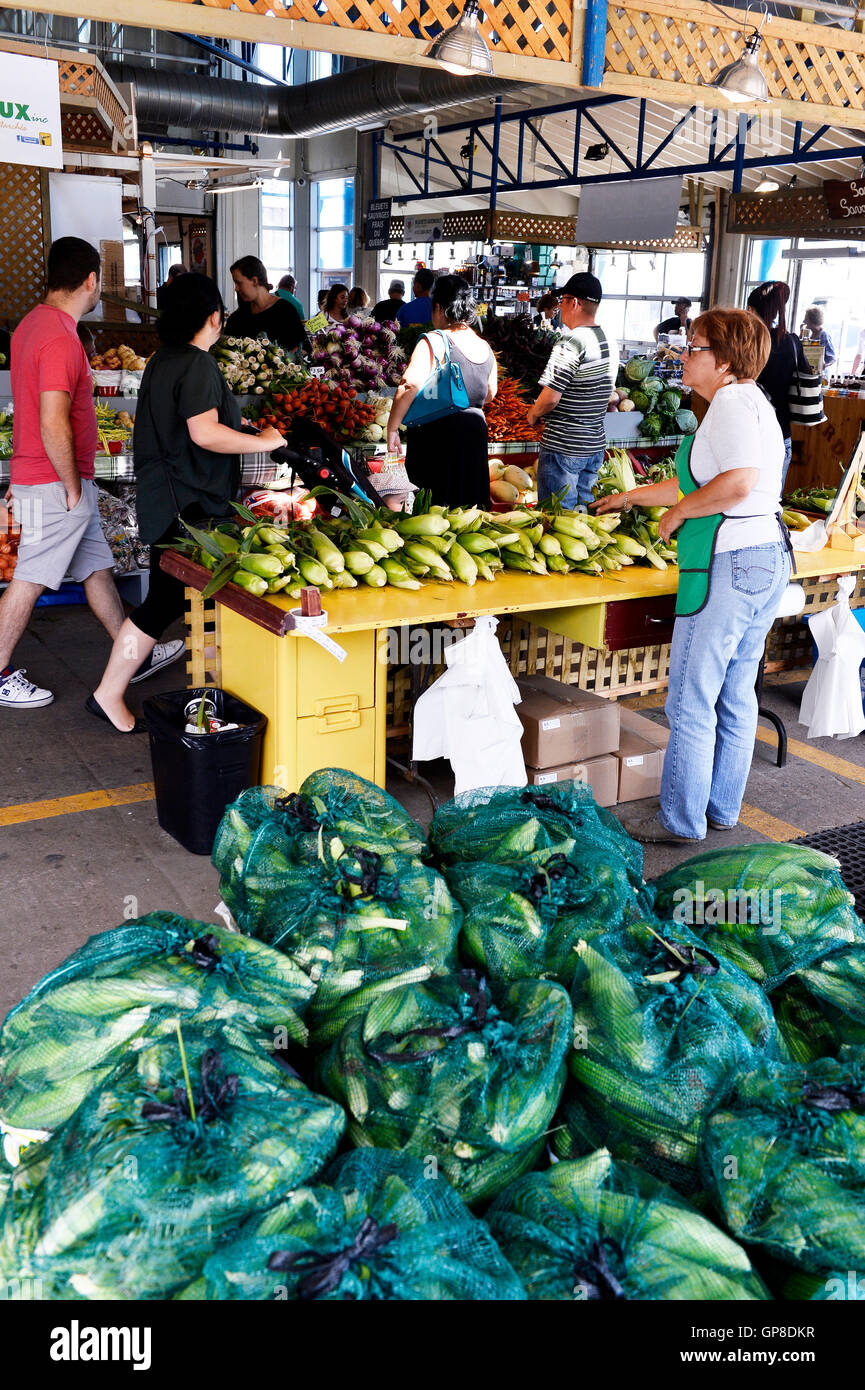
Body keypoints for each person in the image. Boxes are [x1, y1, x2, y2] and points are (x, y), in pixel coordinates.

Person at [593, 308, 791, 844]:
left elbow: (738, 483)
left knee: (691, 698)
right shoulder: (750, 402)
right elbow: (697, 483)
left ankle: (681, 822)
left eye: (694, 347)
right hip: (766, 555)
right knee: (734, 692)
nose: (684, 355)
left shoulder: (729, 404)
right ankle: (721, 810)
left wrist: (678, 516)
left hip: (729, 559)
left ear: (723, 361)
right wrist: (631, 496)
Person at [91, 274, 285, 733]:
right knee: (165, 603)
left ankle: (215, 694)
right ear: (214, 317)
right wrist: (263, 441)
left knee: (174, 602)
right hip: (190, 509)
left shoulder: (162, 361)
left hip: (169, 500)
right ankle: (110, 692)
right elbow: (204, 432)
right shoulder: (197, 364)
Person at [0, 237, 155, 713]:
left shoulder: (29, 325)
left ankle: (132, 652)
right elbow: (52, 420)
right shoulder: (60, 336)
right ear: (91, 280)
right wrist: (71, 488)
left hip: (49, 477)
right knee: (28, 577)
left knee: (95, 570)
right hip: (53, 482)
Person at [386, 274, 497, 509]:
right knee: (469, 510)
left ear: (438, 307)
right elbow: (490, 393)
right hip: (475, 435)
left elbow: (409, 384)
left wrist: (393, 427)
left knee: (436, 512)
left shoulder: (435, 340)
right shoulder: (484, 345)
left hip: (438, 439)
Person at [526, 272, 617, 509]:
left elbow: (550, 398)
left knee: (558, 520)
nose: (560, 306)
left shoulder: (571, 342)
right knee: (582, 518)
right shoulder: (609, 340)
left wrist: (534, 414)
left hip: (564, 445)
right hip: (594, 445)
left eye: (562, 300)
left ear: (574, 303)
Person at [746, 280, 811, 490]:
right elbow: (807, 374)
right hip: (781, 434)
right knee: (772, 504)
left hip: (748, 435)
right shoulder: (792, 341)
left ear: (751, 310)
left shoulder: (746, 343)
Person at [225, 255, 305, 352]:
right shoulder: (237, 318)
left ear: (254, 281)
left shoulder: (285, 310)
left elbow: (301, 348)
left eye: (239, 283)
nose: (236, 288)